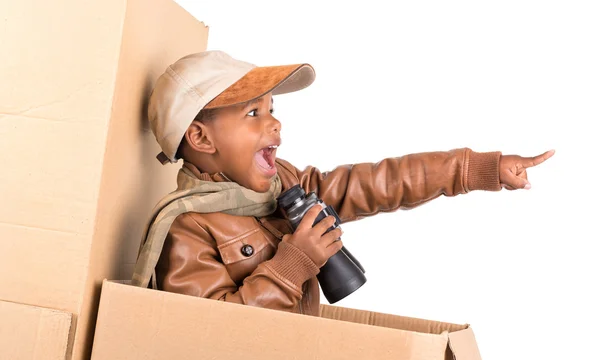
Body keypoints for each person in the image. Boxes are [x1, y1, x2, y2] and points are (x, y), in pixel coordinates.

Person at [131, 50, 554, 316]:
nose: (275, 122)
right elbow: (202, 335)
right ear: (201, 138)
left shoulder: (285, 183)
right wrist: (293, 263)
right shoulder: (189, 228)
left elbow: (376, 183)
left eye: (271, 108)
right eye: (253, 114)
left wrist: (479, 169)